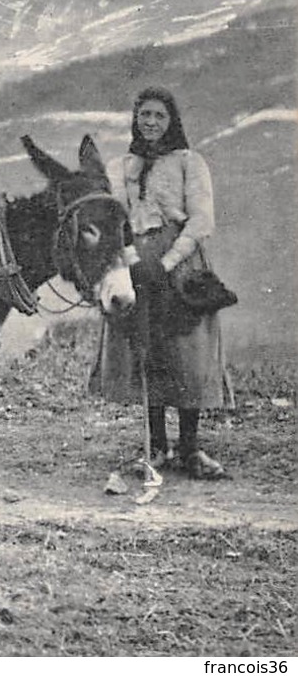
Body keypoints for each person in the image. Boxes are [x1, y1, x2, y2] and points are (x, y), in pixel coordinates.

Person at [91, 86, 234, 480]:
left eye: (159, 116)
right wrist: (134, 261)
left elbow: (202, 220)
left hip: (183, 265)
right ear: (135, 120)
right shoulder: (122, 167)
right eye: (145, 116)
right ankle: (156, 447)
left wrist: (169, 261)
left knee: (188, 354)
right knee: (146, 350)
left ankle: (189, 449)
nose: (151, 123)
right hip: (136, 264)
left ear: (171, 121)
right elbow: (114, 218)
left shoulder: (190, 162)